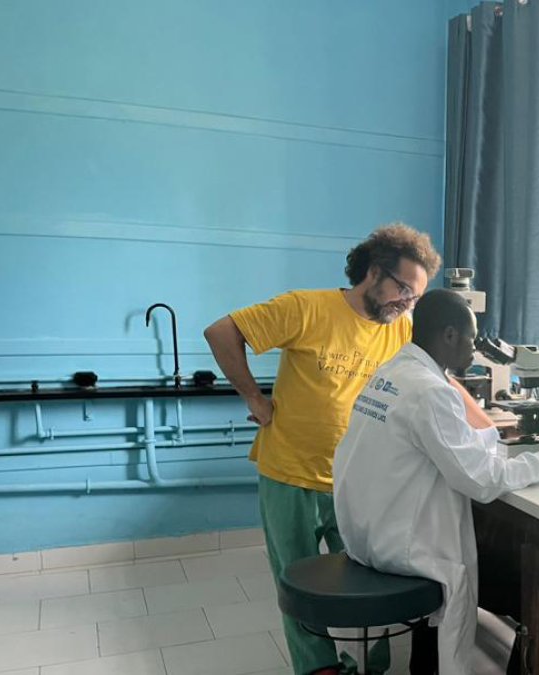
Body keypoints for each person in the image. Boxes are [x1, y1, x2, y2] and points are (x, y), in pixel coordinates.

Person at [204, 224, 490, 675]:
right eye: (403, 290)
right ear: (374, 273)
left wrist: (488, 427)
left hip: (359, 481)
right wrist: (255, 400)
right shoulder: (305, 307)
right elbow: (222, 332)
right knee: (297, 586)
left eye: (415, 298)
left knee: (369, 586)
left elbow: (443, 382)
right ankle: (319, 669)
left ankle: (368, 666)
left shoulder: (399, 332)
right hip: (291, 475)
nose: (407, 304)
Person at [334, 289, 539, 675]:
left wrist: (492, 439)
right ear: (448, 335)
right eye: (471, 339)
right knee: (523, 580)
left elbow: (441, 442)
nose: (474, 351)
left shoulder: (394, 372)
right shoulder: (430, 392)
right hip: (404, 547)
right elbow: (481, 482)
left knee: (499, 563)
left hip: (367, 534)